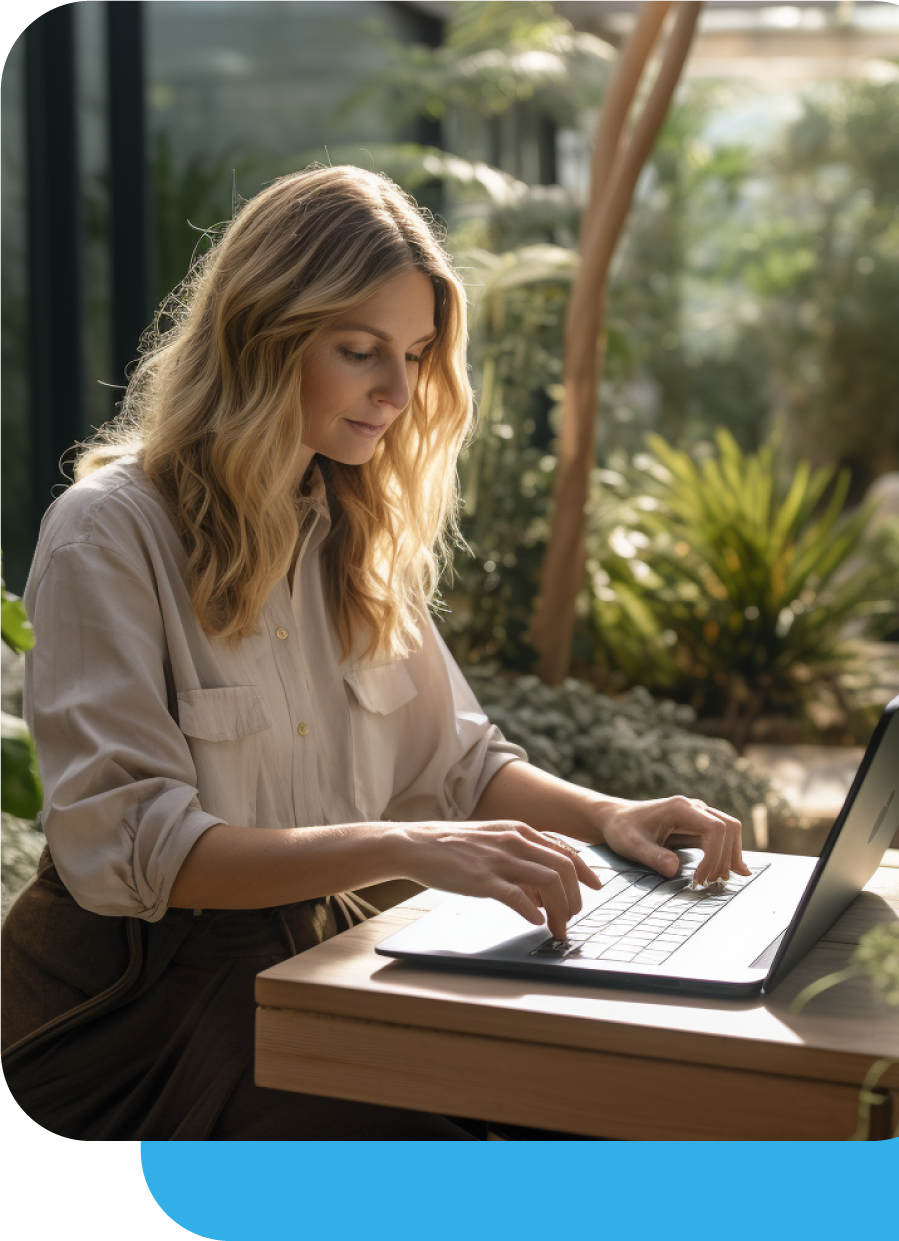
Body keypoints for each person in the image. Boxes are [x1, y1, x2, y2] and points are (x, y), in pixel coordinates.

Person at [0, 165, 748, 1141]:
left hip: (311, 954)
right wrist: (406, 845)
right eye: (360, 351)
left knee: (608, 1088)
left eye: (416, 353)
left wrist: (613, 816)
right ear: (259, 337)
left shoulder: (347, 523)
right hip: (130, 1014)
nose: (399, 391)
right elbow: (137, 850)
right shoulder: (109, 533)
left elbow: (457, 764)